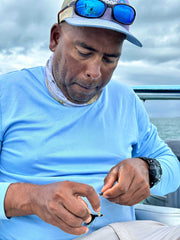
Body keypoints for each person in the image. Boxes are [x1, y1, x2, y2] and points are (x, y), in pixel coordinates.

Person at [0, 0, 180, 239]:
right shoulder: (7, 93)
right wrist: (31, 198)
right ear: (55, 38)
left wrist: (149, 169)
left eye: (110, 59)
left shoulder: (126, 99)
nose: (95, 73)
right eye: (84, 52)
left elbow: (171, 168)